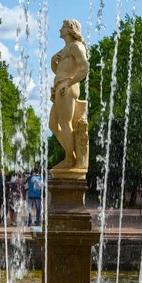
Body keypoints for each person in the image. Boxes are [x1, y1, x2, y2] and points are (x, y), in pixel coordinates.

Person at [49, 19, 90, 170]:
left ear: (70, 29)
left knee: (65, 123)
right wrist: (54, 62)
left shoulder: (76, 47)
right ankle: (71, 155)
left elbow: (85, 68)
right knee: (53, 125)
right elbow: (59, 71)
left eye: (63, 27)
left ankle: (69, 160)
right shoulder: (64, 49)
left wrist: (69, 83)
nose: (60, 29)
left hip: (67, 87)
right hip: (60, 87)